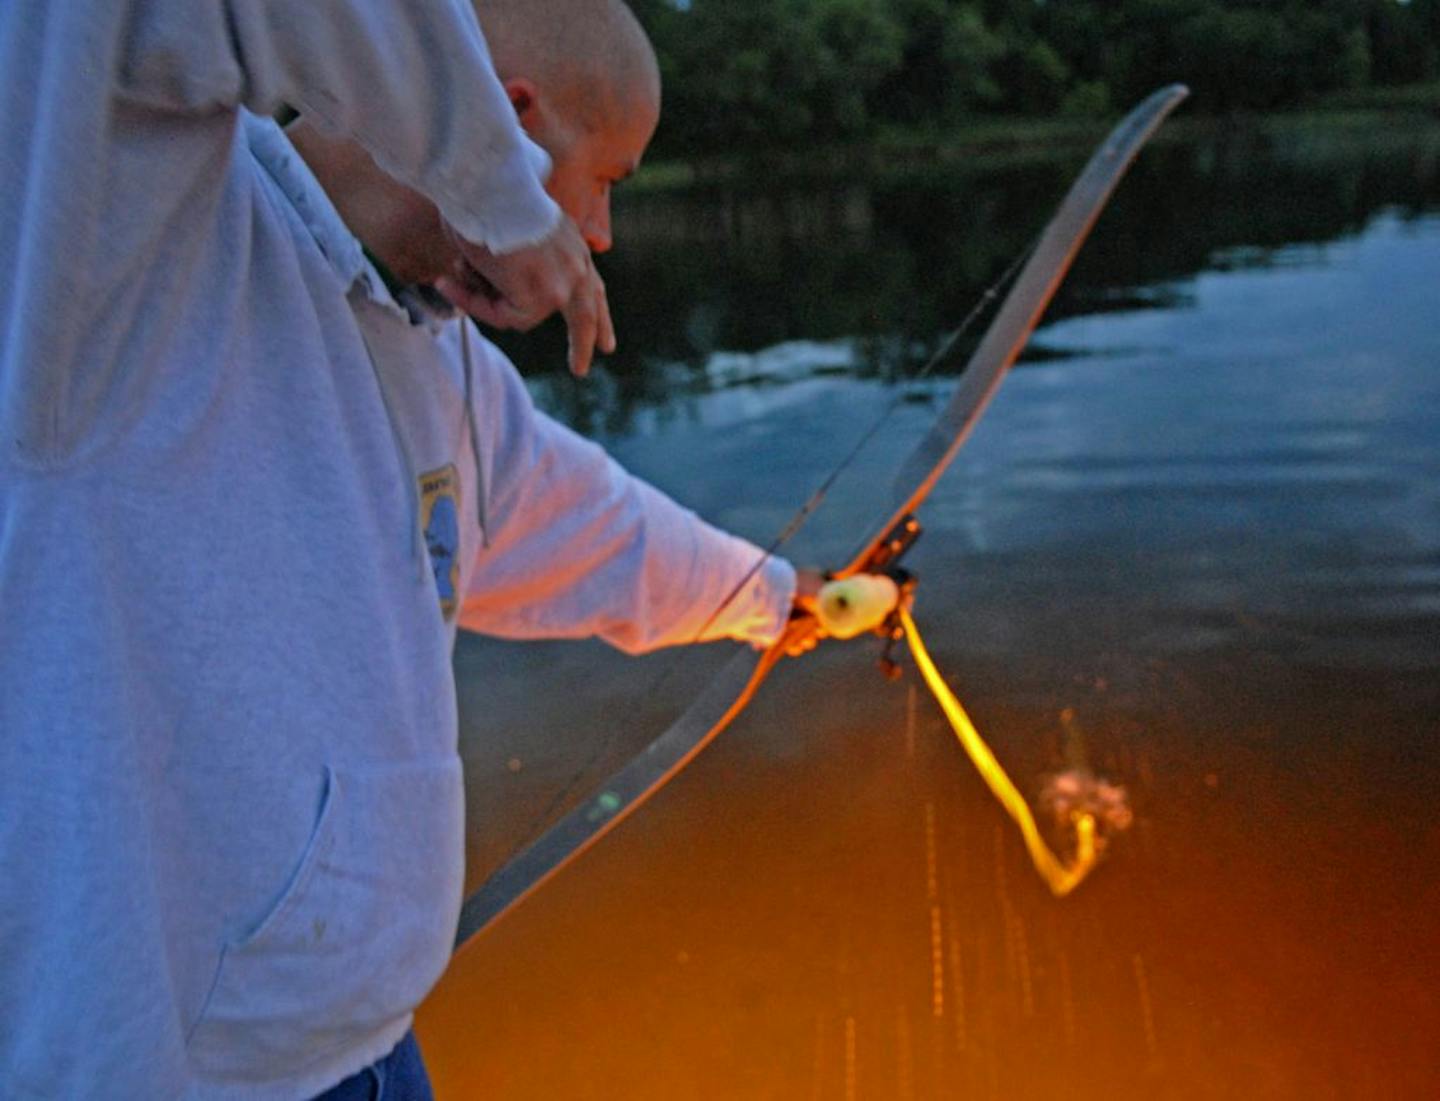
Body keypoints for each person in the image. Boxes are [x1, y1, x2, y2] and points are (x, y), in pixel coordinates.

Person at [0, 1, 822, 1098]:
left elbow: (586, 524)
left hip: (376, 1050)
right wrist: (496, 187)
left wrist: (783, 599)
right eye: (609, 182)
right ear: (515, 120)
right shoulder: (116, 245)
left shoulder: (445, 365)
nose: (605, 234)